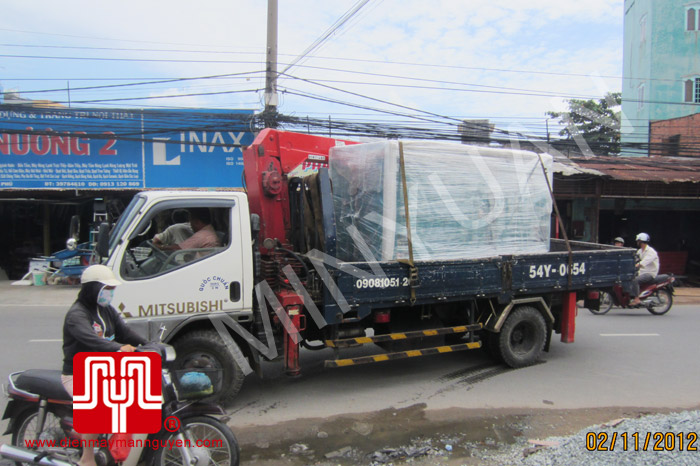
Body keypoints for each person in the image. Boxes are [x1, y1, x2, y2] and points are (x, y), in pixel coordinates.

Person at [62, 264, 148, 466]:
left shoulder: (106, 310)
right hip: (77, 375)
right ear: (93, 289)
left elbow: (126, 333)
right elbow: (91, 340)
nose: (110, 293)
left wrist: (149, 345)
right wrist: (119, 348)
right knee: (99, 402)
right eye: (106, 289)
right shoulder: (78, 314)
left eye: (112, 289)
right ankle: (87, 458)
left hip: (101, 371)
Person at [630, 232, 659, 306]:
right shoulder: (640, 251)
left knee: (635, 280)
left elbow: (644, 262)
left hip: (650, 273)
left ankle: (636, 299)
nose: (637, 242)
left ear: (641, 241)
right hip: (642, 272)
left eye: (638, 241)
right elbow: (635, 259)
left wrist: (637, 265)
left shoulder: (651, 252)